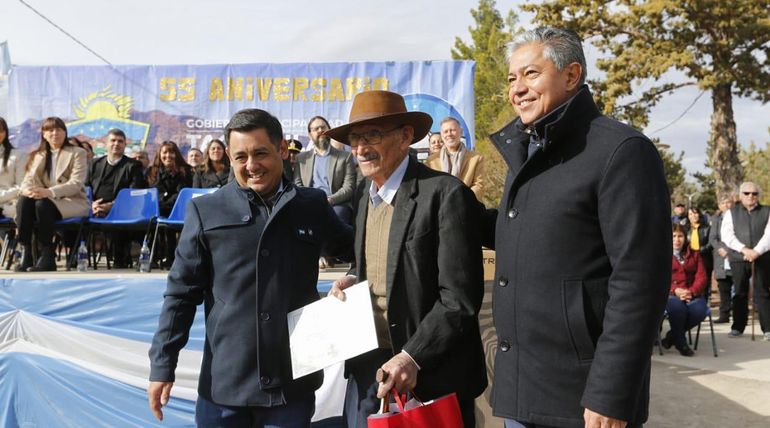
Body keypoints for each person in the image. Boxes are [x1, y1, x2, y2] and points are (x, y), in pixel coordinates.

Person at [484, 28, 670, 427]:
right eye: (512, 78)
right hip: (522, 394)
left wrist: (610, 394)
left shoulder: (620, 152)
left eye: (531, 74)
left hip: (584, 400)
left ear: (571, 76)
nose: (518, 89)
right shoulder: (529, 153)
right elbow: (531, 237)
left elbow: (640, 282)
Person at [148, 108, 352, 426]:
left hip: (291, 386)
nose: (252, 166)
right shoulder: (206, 211)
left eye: (261, 153)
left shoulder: (311, 206)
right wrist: (163, 365)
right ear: (229, 157)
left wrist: (352, 278)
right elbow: (180, 295)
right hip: (224, 389)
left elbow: (358, 251)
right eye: (241, 156)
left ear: (282, 150)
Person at [327, 90, 487, 428]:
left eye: (372, 135)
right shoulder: (363, 195)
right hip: (373, 371)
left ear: (406, 136)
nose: (361, 148)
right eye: (355, 138)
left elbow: (458, 299)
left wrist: (412, 357)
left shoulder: (444, 194)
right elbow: (372, 262)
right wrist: (352, 279)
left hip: (432, 375)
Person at [16, 117, 90, 271]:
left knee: (43, 204)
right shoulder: (39, 155)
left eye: (59, 129)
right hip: (44, 201)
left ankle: (48, 255)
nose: (55, 133)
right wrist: (27, 190)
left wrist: (49, 192)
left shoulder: (77, 153)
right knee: (24, 201)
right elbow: (27, 180)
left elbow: (76, 184)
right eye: (50, 130)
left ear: (65, 133)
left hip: (72, 202)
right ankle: (26, 251)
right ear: (43, 134)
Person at [85, 128, 147, 267]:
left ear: (125, 145)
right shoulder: (94, 164)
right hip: (94, 208)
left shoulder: (133, 166)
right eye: (113, 140)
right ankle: (77, 257)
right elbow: (84, 188)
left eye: (120, 141)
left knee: (120, 216)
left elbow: (134, 193)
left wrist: (111, 206)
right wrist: (92, 204)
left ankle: (121, 258)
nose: (116, 144)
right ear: (106, 144)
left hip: (121, 209)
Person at [720, 182, 770, 341]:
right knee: (740, 292)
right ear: (740, 195)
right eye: (747, 193)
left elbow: (769, 235)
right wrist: (744, 249)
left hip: (762, 257)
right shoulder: (731, 213)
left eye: (754, 193)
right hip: (739, 258)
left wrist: (756, 251)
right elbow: (727, 235)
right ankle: (737, 327)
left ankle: (768, 328)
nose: (751, 196)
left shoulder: (767, 211)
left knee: (762, 292)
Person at [662, 223, 709, 356]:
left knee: (700, 311)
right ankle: (681, 344)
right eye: (674, 236)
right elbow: (658, 278)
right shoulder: (661, 254)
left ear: (685, 237)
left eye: (680, 236)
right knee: (677, 308)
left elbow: (702, 277)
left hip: (691, 293)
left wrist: (691, 291)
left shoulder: (694, 254)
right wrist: (675, 290)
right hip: (670, 294)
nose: (677, 240)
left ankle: (672, 337)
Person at [147, 141, 192, 267]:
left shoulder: (185, 171)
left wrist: (168, 200)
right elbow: (154, 192)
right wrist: (164, 199)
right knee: (154, 217)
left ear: (176, 154)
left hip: (178, 209)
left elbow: (183, 192)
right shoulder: (152, 171)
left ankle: (172, 258)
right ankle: (153, 257)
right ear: (159, 154)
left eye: (171, 152)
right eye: (165, 152)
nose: (168, 155)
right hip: (159, 208)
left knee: (170, 219)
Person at [425, 117, 484, 201]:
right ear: (442, 135)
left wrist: (461, 201)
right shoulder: (431, 161)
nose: (449, 134)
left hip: (466, 206)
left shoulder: (476, 158)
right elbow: (428, 187)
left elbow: (479, 185)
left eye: (452, 130)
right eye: (445, 131)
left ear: (461, 132)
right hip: (439, 208)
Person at [709, 195, 735, 323]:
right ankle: (724, 315)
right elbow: (713, 238)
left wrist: (732, 252)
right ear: (719, 205)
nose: (726, 205)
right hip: (721, 257)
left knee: (739, 288)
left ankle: (739, 316)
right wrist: (721, 250)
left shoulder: (739, 218)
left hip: (736, 255)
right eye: (723, 202)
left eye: (728, 202)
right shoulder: (716, 219)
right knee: (724, 288)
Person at [0, 117, 27, 220]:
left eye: (1, 130)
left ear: (5, 133)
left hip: (10, 203)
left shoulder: (18, 155)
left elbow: (22, 186)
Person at [686, 206, 713, 283]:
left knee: (704, 283)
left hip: (704, 258)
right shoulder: (685, 229)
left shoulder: (707, 228)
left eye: (695, 213)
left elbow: (711, 243)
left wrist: (700, 250)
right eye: (690, 214)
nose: (693, 216)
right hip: (690, 259)